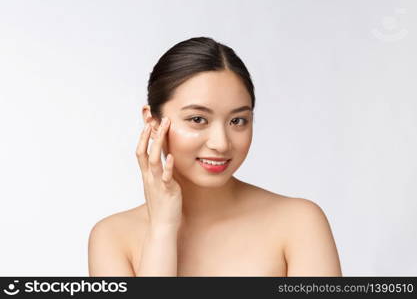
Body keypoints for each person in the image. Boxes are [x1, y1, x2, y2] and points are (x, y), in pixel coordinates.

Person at [88, 36, 342, 276]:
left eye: (237, 120)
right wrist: (162, 230)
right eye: (198, 119)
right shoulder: (113, 237)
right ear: (153, 123)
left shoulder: (298, 223)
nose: (221, 143)